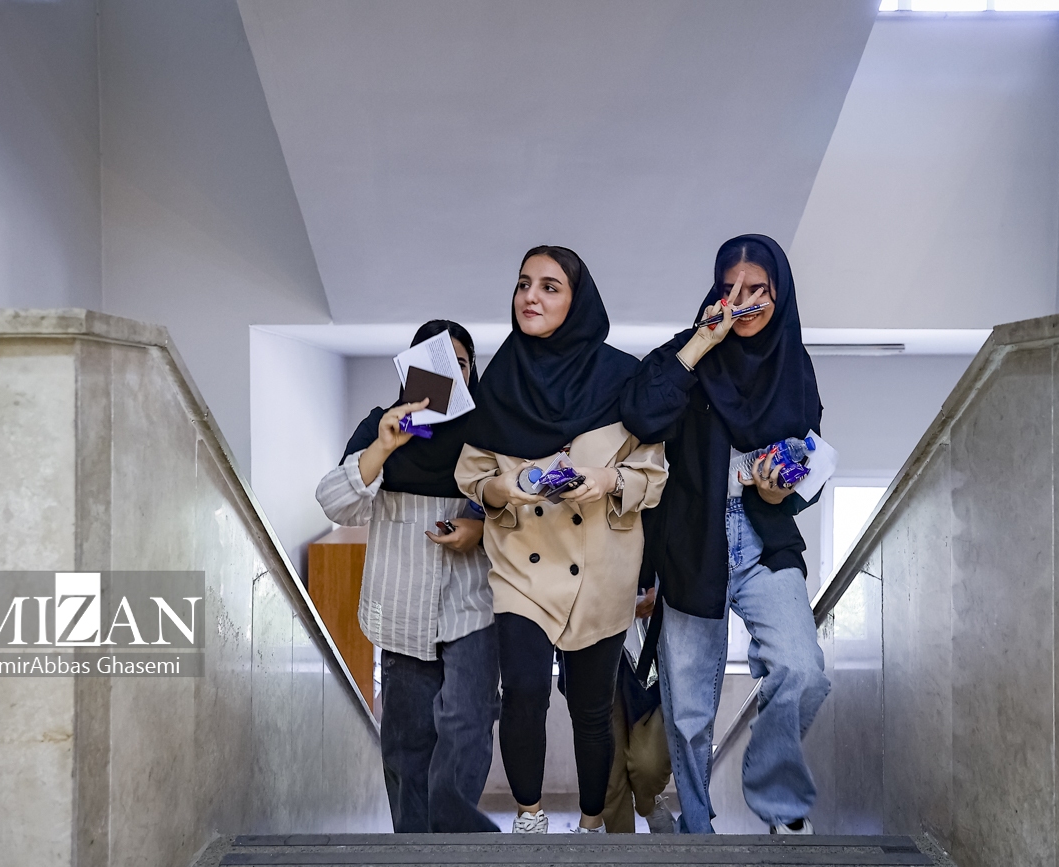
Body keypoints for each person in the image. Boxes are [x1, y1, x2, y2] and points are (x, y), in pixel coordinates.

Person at [620, 234, 830, 835]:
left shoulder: (794, 364)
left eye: (757, 289)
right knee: (688, 713)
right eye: (729, 289)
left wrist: (779, 493)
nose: (744, 302)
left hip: (764, 541)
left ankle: (778, 799)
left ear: (779, 293)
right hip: (692, 542)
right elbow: (641, 415)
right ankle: (698, 831)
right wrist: (702, 342)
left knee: (802, 670)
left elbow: (809, 459)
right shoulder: (686, 350)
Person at [455, 246, 668, 834]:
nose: (531, 296)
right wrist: (500, 488)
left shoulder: (623, 377)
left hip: (601, 568)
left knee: (592, 711)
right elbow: (472, 473)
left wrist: (607, 480)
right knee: (523, 692)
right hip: (522, 566)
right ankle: (529, 819)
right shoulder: (501, 377)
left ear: (578, 302)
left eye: (550, 287)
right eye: (524, 284)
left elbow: (654, 475)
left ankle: (592, 826)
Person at [315, 320, 499, 834]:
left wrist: (479, 527)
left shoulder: (490, 430)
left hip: (473, 606)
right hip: (399, 612)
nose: (450, 376)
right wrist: (384, 447)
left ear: (472, 374)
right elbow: (336, 503)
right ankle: (413, 849)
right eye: (435, 366)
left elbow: (522, 505)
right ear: (411, 373)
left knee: (467, 726)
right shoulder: (382, 424)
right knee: (405, 744)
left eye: (460, 365)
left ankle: (454, 840)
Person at [598, 585, 675, 834]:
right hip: (593, 642)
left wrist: (662, 589)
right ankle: (621, 850)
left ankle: (649, 803)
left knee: (650, 763)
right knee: (610, 775)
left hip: (648, 644)